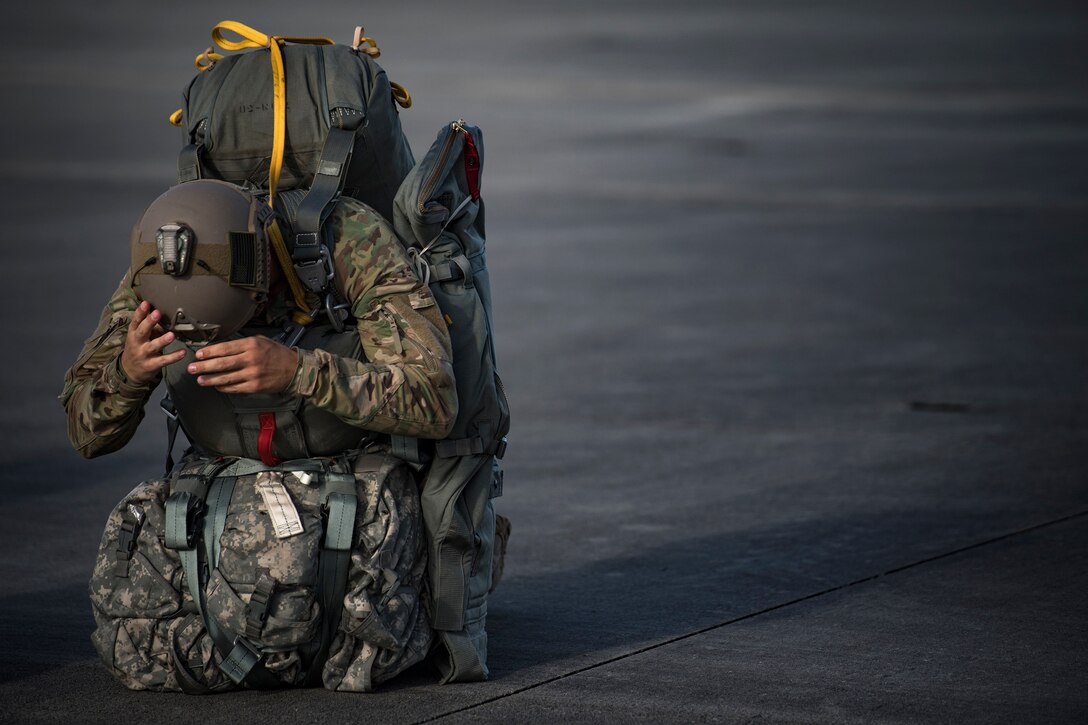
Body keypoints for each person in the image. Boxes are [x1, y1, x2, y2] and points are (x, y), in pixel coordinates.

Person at [61, 182, 458, 460]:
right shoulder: (160, 273)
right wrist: (128, 373)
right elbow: (85, 437)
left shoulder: (351, 242)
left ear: (264, 271)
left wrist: (299, 371)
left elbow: (434, 403)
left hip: (353, 467)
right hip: (225, 476)